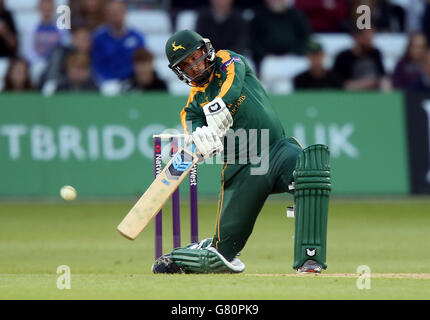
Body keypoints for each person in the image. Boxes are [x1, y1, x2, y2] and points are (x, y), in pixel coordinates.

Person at [151, 30, 332, 274]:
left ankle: (310, 260)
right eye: (185, 65)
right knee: (221, 257)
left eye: (194, 58)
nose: (193, 67)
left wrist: (216, 110)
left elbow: (232, 88)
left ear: (205, 51)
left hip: (275, 150)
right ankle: (189, 254)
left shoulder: (229, 60)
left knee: (311, 170)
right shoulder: (192, 107)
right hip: (241, 170)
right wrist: (200, 142)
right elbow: (193, 132)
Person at [249, 0, 311, 75]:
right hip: (269, 59)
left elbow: (305, 38)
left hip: (293, 57)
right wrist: (264, 53)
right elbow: (253, 41)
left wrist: (295, 52)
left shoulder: (296, 15)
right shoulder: (259, 16)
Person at [91, 0, 145, 84]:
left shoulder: (136, 37)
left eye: (116, 13)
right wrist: (105, 81)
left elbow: (141, 61)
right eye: (110, 14)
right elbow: (96, 63)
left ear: (124, 13)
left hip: (132, 82)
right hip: (107, 82)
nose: (114, 17)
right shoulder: (99, 37)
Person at [332, 27, 391, 91]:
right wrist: (364, 84)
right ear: (357, 37)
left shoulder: (375, 54)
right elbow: (338, 84)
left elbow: (383, 76)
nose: (371, 39)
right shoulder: (343, 57)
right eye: (367, 36)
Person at [42, 26, 92, 92]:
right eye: (80, 39)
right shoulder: (62, 52)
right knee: (50, 86)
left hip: (84, 85)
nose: (83, 43)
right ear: (73, 40)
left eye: (86, 39)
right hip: (60, 84)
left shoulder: (93, 53)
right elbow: (53, 73)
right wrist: (72, 76)